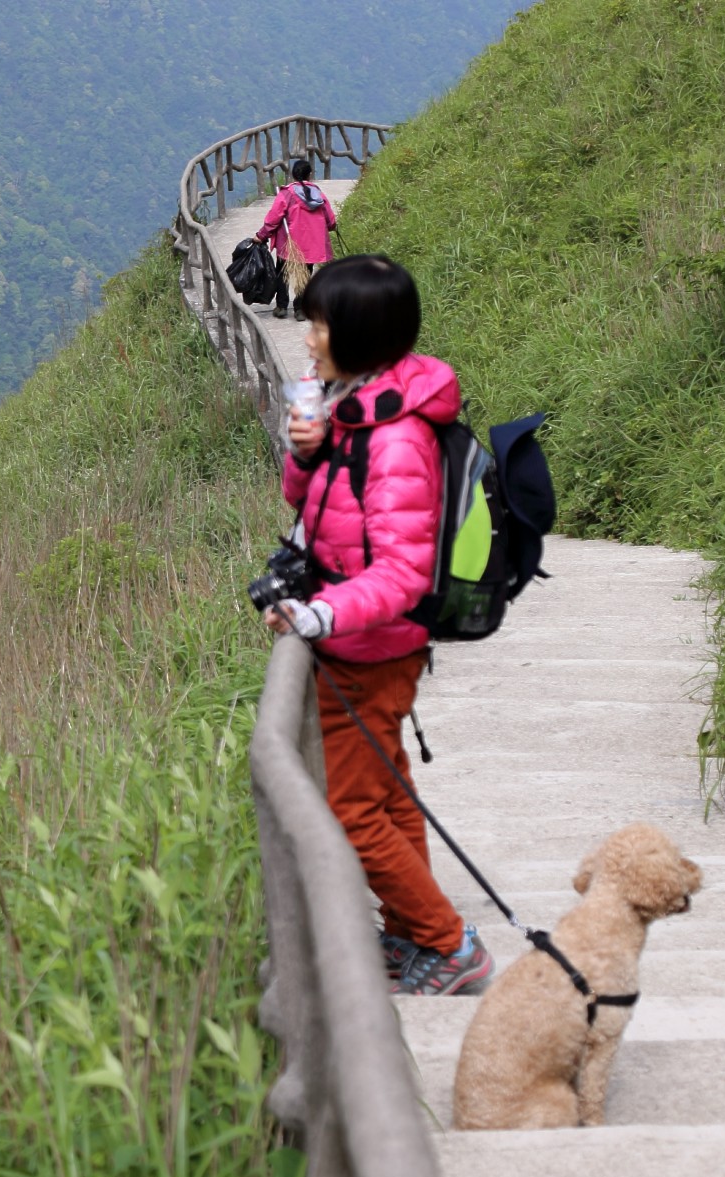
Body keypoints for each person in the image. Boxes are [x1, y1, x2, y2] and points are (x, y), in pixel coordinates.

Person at [265, 255, 492, 997]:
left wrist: (321, 612)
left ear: (358, 332)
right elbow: (312, 503)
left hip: (371, 646)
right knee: (390, 797)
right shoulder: (357, 403)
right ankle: (406, 935)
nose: (309, 340)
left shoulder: (396, 440)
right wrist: (305, 452)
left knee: (352, 812)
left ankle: (449, 944)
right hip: (359, 643)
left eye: (320, 325)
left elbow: (399, 571)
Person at [254, 158, 338, 320]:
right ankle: (300, 308)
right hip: (311, 244)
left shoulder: (287, 193)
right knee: (305, 274)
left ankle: (282, 307)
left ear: (293, 174)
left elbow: (273, 218)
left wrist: (261, 235)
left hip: (289, 243)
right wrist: (332, 226)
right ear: (310, 174)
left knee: (282, 273)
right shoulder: (318, 193)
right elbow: (330, 220)